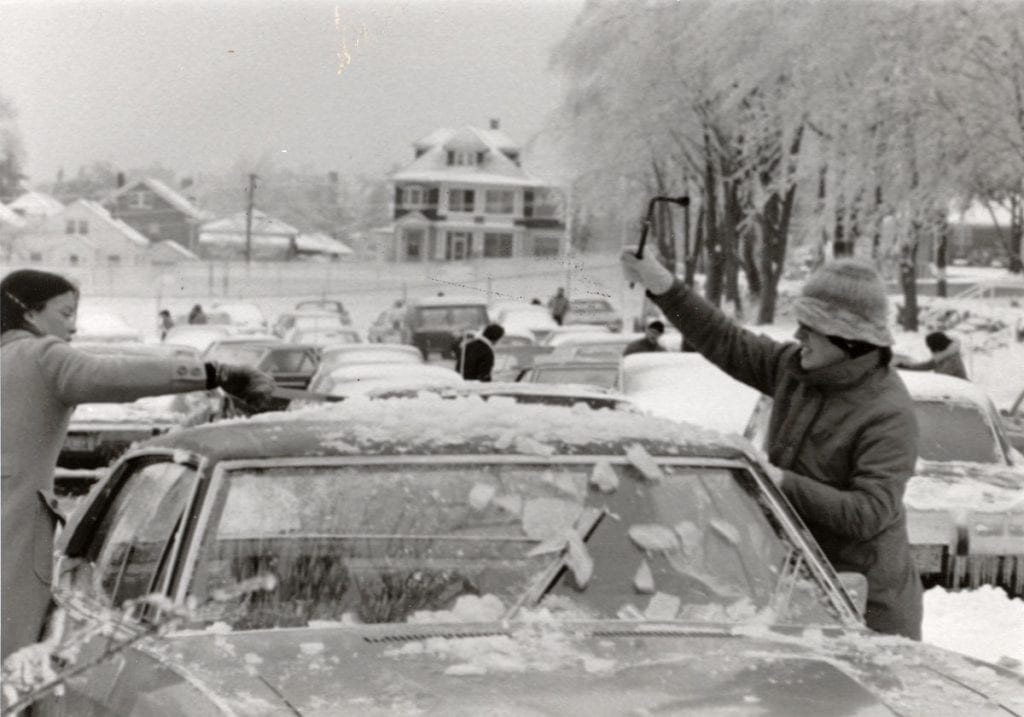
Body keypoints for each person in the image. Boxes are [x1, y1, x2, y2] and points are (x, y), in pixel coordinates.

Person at [621, 249, 923, 640]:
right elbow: (725, 339)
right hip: (797, 586)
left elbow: (869, 513)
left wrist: (780, 481)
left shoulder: (887, 413)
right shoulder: (795, 370)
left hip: (866, 606)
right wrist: (663, 287)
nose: (798, 336)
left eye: (809, 327)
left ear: (846, 338)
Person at [0, 269, 276, 661]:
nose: (73, 327)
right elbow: (111, 375)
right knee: (13, 653)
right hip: (14, 531)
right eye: (65, 313)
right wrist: (215, 374)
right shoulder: (42, 356)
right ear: (30, 313)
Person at [895, 331, 967, 379]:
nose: (930, 350)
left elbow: (940, 379)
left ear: (937, 346)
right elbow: (925, 366)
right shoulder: (943, 356)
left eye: (930, 347)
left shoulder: (952, 361)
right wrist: (906, 367)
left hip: (961, 392)